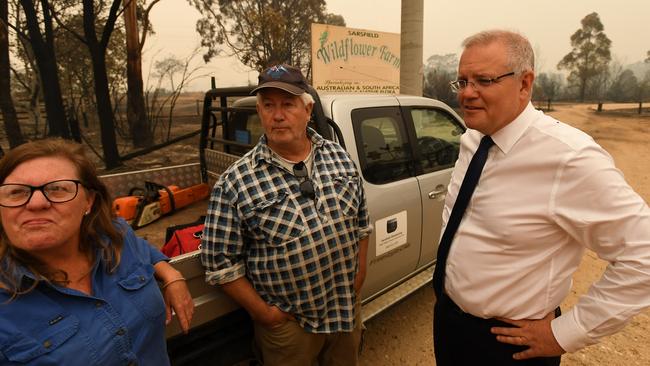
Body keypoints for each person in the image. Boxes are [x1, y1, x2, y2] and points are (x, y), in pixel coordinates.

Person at [432, 29, 650, 365]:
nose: (467, 94)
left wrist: (564, 333)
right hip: (449, 324)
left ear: (524, 83)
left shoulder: (570, 158)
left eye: (484, 80)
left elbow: (643, 253)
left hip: (507, 345)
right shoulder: (473, 139)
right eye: (461, 81)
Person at [201, 64, 371, 366]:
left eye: (288, 104)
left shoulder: (339, 157)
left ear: (307, 110)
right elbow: (219, 263)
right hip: (290, 328)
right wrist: (266, 315)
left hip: (345, 309)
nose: (277, 115)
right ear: (259, 111)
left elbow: (361, 223)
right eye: (268, 105)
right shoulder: (235, 182)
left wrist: (359, 275)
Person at [0, 139, 194, 365]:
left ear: (89, 202)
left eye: (57, 189)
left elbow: (145, 252)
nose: (36, 203)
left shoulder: (116, 237)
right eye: (17, 192)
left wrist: (172, 276)